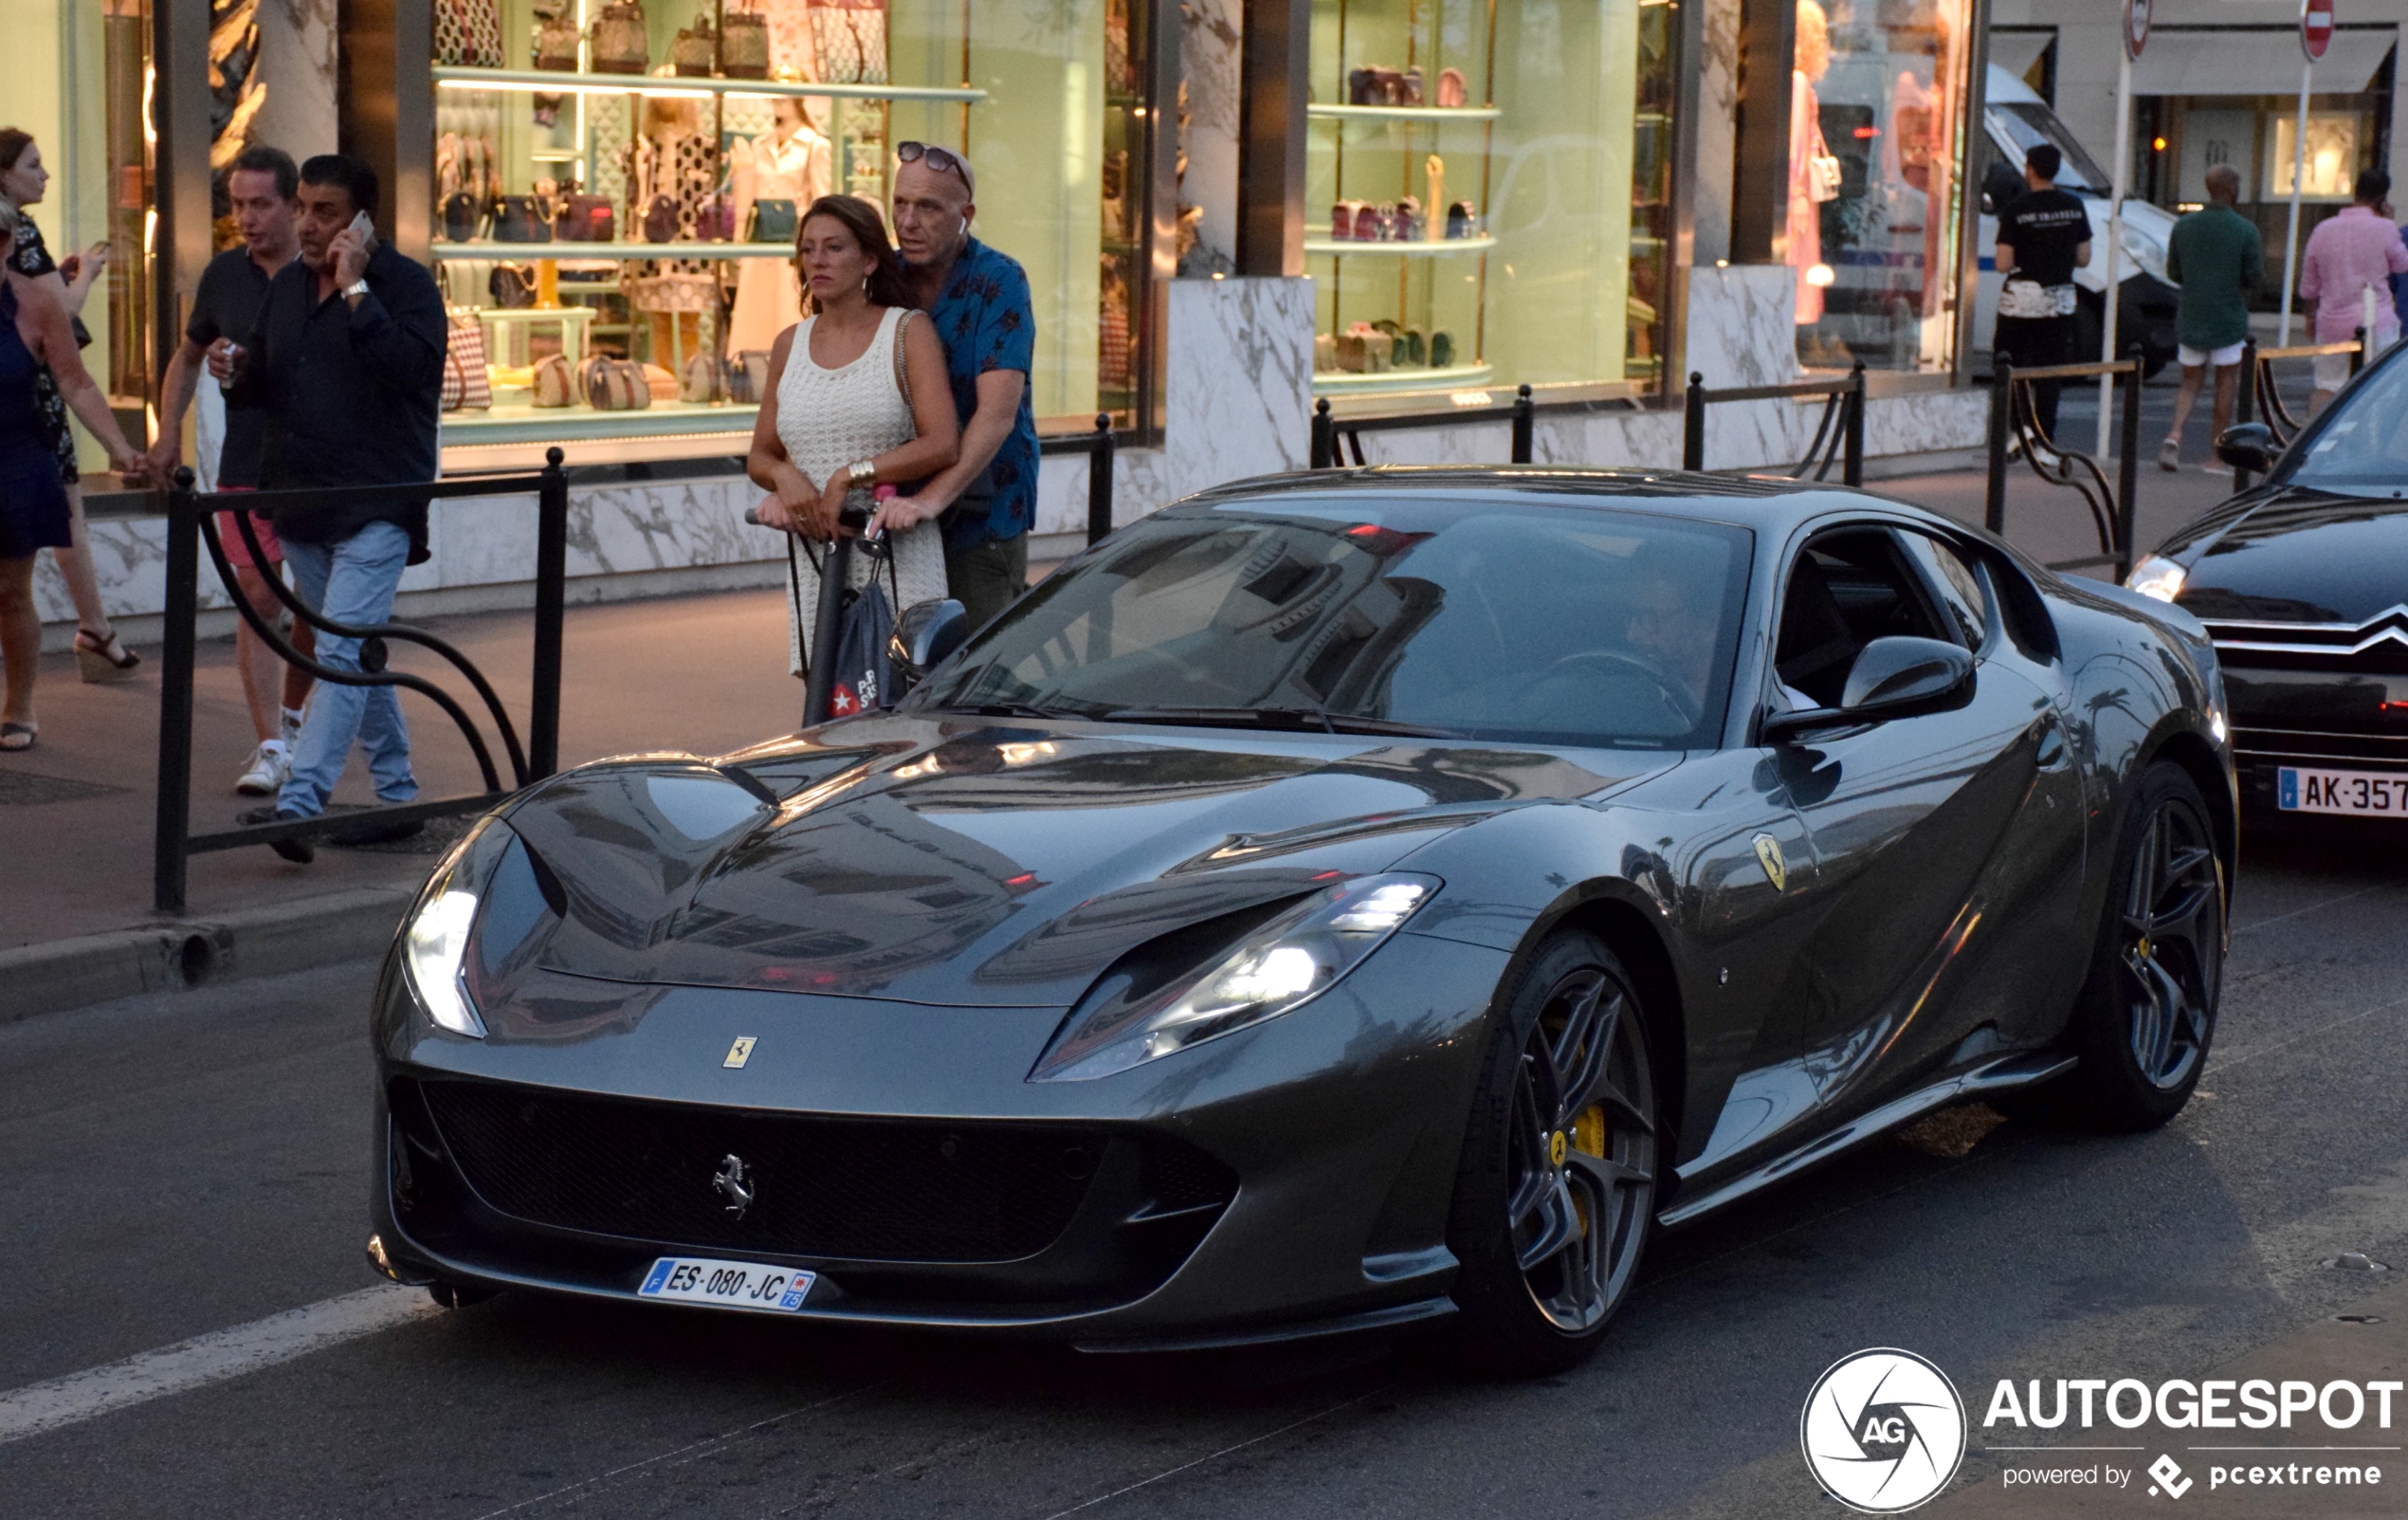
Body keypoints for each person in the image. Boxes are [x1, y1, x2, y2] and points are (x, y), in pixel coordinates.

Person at [214, 154, 446, 863]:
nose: (307, 224)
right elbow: (266, 382)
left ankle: (299, 803)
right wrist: (236, 375)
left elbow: (412, 372)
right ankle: (399, 794)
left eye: (326, 212)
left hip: (376, 505)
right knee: (353, 653)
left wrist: (355, 294)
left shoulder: (405, 287)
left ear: (364, 221)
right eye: (305, 207)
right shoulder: (286, 288)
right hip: (303, 505)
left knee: (339, 651)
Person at [150, 147, 319, 795]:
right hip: (246, 463)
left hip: (317, 466)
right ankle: (271, 744)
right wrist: (168, 434)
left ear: (292, 204)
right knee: (259, 596)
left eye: (260, 204)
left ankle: (295, 716)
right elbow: (186, 356)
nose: (246, 218)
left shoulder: (319, 272)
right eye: (237, 204)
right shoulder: (223, 276)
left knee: (315, 602)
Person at [747, 195, 960, 700]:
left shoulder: (906, 331)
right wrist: (785, 478)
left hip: (893, 548)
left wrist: (850, 474)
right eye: (808, 249)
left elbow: (943, 442)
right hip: (817, 554)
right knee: (827, 702)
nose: (818, 260)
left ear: (868, 260)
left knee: (903, 702)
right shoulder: (788, 344)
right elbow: (761, 454)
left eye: (834, 247)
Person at [0, 202, 149, 751]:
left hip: (15, 455)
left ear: (6, 246)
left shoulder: (35, 301)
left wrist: (121, 448)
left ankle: (19, 705)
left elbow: (76, 381)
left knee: (9, 591)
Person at [886, 143, 1042, 631]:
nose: (908, 221)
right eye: (900, 204)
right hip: (897, 506)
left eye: (928, 207)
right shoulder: (884, 277)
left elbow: (996, 416)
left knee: (977, 665)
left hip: (983, 509)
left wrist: (932, 499)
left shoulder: (998, 278)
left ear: (965, 215)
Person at [2159, 164, 2265, 474]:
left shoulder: (2184, 226)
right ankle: (2218, 456)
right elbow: (2254, 276)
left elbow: (2173, 272)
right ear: (2232, 188)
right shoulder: (2245, 230)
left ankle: (2174, 433)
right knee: (2226, 382)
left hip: (2191, 314)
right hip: (2227, 316)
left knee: (2190, 382)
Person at [1992, 143, 2091, 449]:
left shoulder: (2017, 209)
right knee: (2050, 372)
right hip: (2058, 301)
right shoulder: (2074, 206)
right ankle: (2045, 437)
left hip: (2019, 302)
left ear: (2030, 169)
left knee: (2012, 366)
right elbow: (2084, 257)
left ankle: (2016, 431)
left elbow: (2002, 263)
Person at [2298, 168, 2408, 414]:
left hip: (2332, 322)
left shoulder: (2323, 229)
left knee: (2327, 386)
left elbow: (2309, 284)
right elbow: (2402, 264)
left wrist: (2309, 318)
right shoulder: (2384, 229)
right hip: (2376, 322)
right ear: (2382, 199)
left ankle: (2317, 445)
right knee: (2378, 388)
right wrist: (2388, 223)